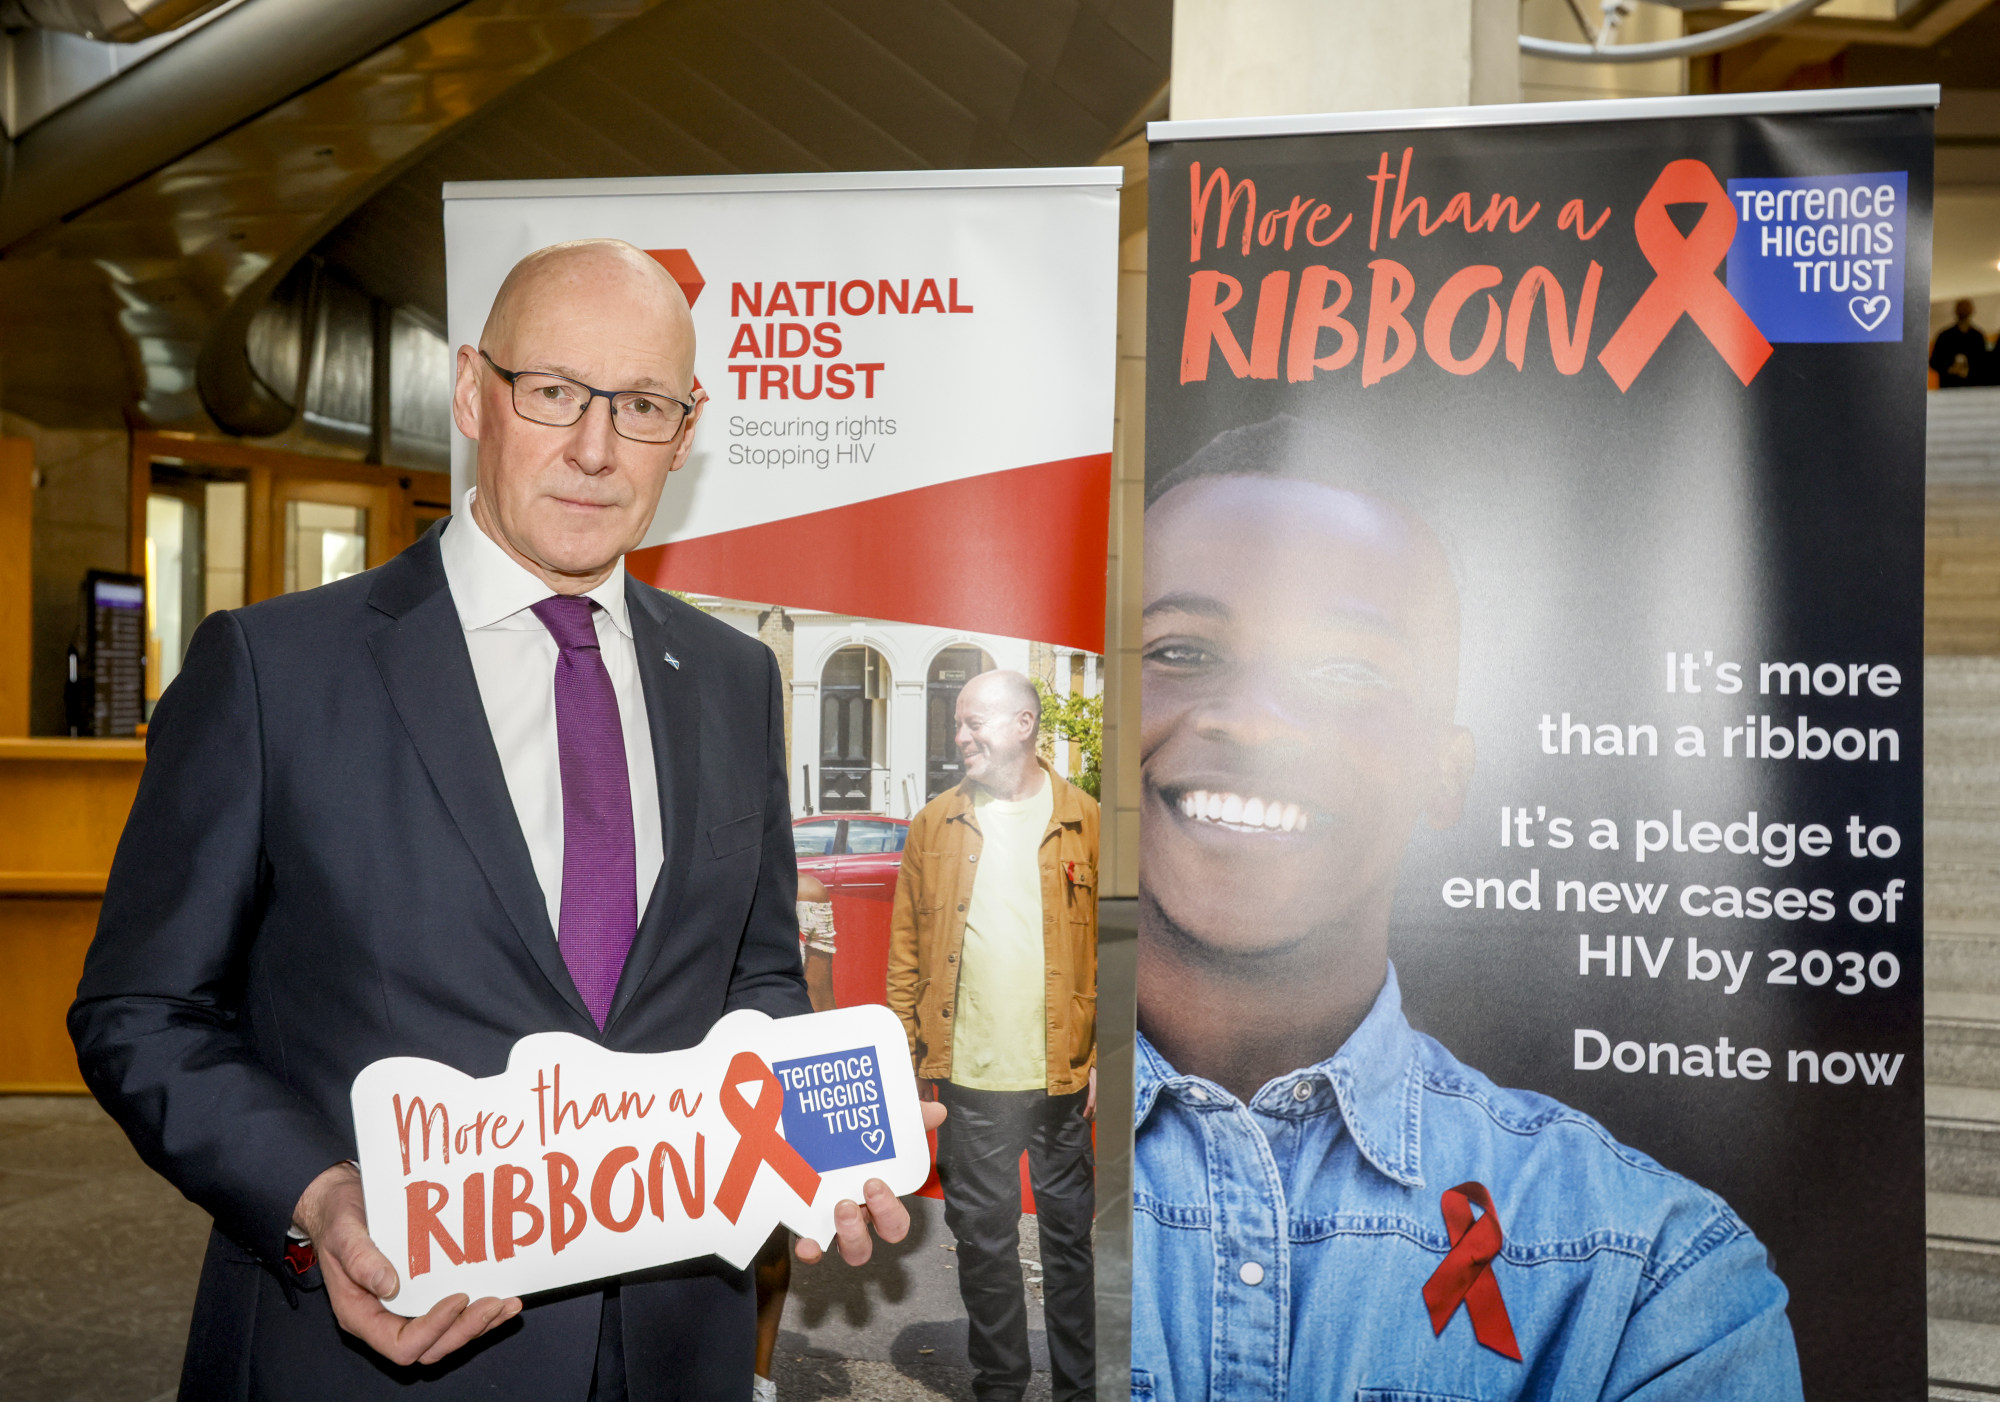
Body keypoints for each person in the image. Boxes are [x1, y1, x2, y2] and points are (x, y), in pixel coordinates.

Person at [69, 238, 939, 1402]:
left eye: (638, 405)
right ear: (476, 392)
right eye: (553, 393)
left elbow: (755, 977)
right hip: (375, 1349)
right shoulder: (276, 671)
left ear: (686, 431)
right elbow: (142, 1008)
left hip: (675, 1347)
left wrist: (806, 1135)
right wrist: (317, 1195)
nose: (593, 447)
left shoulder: (730, 679)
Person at [1130, 418, 1804, 1400]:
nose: (1255, 718)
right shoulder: (971, 1162)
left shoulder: (1649, 1279)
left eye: (1350, 669)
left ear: (1444, 776)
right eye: (1180, 648)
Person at [887, 670, 1099, 1402]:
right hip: (969, 1079)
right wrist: (907, 1058)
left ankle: (1080, 1390)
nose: (960, 737)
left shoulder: (1087, 820)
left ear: (1023, 725)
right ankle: (1001, 1385)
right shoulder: (934, 823)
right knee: (983, 1244)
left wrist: (1108, 1050)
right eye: (957, 724)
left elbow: (1118, 948)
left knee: (1072, 1247)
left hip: (1062, 1077)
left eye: (974, 721)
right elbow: (907, 951)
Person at [1931, 299, 1990, 388]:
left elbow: (1984, 363)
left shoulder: (1977, 337)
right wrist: (1950, 368)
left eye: (1966, 307)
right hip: (1949, 387)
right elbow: (1934, 361)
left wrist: (1968, 370)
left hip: (1973, 387)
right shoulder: (1945, 336)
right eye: (1962, 307)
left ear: (1971, 310)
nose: (1964, 310)